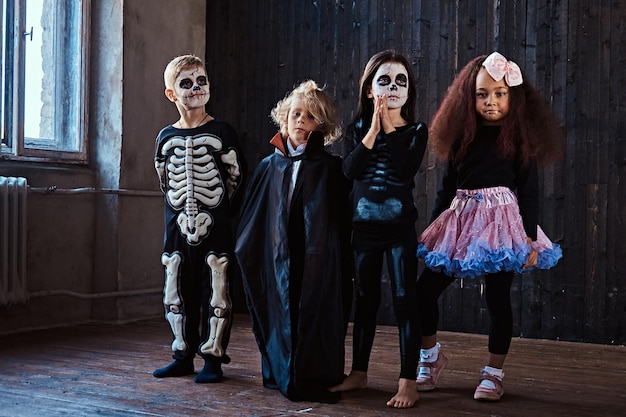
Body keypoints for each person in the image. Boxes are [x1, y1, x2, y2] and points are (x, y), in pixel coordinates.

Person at [414, 51, 563, 401]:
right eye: (482, 94)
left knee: (497, 299)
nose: (491, 101)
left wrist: (527, 237)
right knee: (423, 293)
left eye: (499, 93)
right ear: (470, 98)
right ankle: (430, 358)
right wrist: (435, 233)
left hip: (502, 229)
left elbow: (528, 193)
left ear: (514, 97)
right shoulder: (460, 139)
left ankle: (493, 373)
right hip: (462, 223)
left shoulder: (519, 143)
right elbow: (445, 191)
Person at [235, 80, 353, 404]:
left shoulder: (331, 168)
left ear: (322, 126)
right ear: (285, 118)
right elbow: (252, 217)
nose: (301, 120)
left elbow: (341, 220)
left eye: (310, 116)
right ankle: (280, 369)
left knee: (313, 310)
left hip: (315, 255)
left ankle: (315, 374)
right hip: (277, 253)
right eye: (296, 114)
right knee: (280, 308)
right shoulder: (268, 166)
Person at [329, 50, 428, 409]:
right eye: (384, 80)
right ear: (370, 90)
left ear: (409, 92)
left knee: (405, 300)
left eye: (401, 81)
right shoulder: (357, 129)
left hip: (399, 227)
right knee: (365, 300)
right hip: (363, 228)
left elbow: (403, 170)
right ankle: (359, 372)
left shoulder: (417, 131)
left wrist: (388, 124)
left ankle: (408, 381)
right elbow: (350, 171)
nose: (393, 87)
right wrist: (372, 127)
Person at [153, 54, 246, 383]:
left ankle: (213, 358)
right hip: (176, 226)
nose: (196, 89)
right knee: (177, 289)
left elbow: (235, 179)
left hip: (215, 225)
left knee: (215, 290)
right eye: (186, 84)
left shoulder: (223, 131)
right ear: (172, 94)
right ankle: (182, 354)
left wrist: (222, 215)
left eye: (201, 81)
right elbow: (164, 182)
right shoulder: (164, 137)